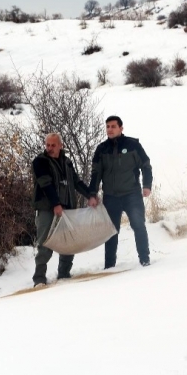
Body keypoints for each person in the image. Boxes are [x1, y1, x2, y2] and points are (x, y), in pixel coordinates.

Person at [32, 133, 98, 286]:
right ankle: (39, 278)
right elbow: (45, 184)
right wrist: (55, 204)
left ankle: (64, 273)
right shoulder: (40, 162)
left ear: (60, 145)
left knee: (69, 242)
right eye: (47, 145)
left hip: (67, 208)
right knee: (45, 243)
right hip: (46, 209)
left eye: (53, 145)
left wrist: (90, 195)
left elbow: (76, 181)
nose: (49, 148)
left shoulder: (67, 162)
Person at [89, 116, 153, 268]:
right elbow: (96, 173)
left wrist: (147, 185)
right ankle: (109, 266)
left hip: (132, 194)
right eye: (107, 127)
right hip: (111, 197)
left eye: (113, 126)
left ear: (121, 128)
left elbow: (146, 164)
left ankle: (145, 259)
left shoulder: (132, 145)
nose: (109, 129)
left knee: (138, 225)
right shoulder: (101, 149)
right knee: (111, 231)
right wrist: (92, 194)